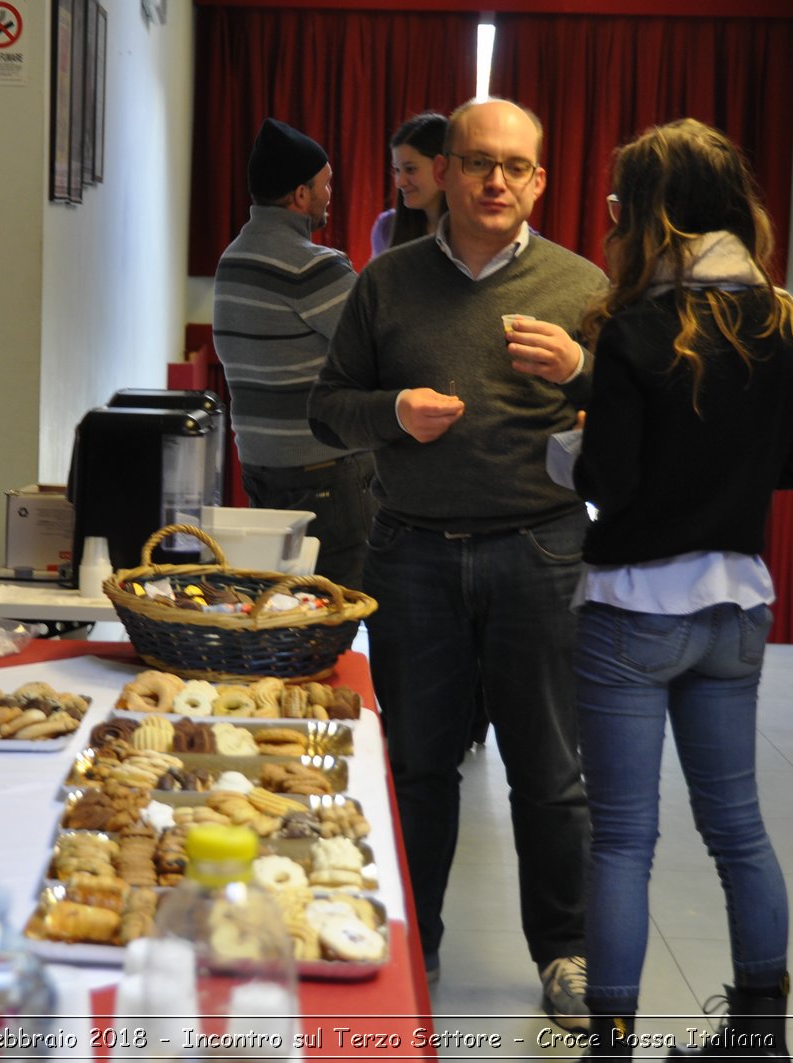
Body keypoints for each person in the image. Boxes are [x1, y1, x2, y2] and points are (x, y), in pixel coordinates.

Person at [308, 97, 607, 1028]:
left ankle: (565, 951)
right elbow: (328, 408)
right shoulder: (387, 283)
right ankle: (414, 943)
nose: (496, 182)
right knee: (417, 765)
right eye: (478, 162)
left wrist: (584, 374)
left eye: (516, 167)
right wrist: (390, 413)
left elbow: (636, 422)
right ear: (444, 170)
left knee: (550, 771)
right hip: (413, 556)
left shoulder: (583, 287)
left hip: (541, 551)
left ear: (540, 180)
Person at [566, 118, 793, 1060]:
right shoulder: (786, 320)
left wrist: (570, 448)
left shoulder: (636, 329)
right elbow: (792, 467)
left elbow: (608, 485)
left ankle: (613, 1045)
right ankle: (760, 1041)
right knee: (739, 831)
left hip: (633, 611)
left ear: (650, 215)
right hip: (737, 609)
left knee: (625, 843)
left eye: (621, 209)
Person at [212, 117, 375, 589]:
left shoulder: (232, 259)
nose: (330, 195)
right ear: (300, 196)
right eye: (325, 185)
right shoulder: (313, 267)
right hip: (325, 472)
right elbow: (377, 348)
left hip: (262, 469)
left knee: (278, 608)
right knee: (336, 611)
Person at [369, 112, 448, 257]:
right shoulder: (386, 228)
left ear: (442, 168)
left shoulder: (477, 231)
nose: (399, 182)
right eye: (397, 170)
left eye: (410, 169)